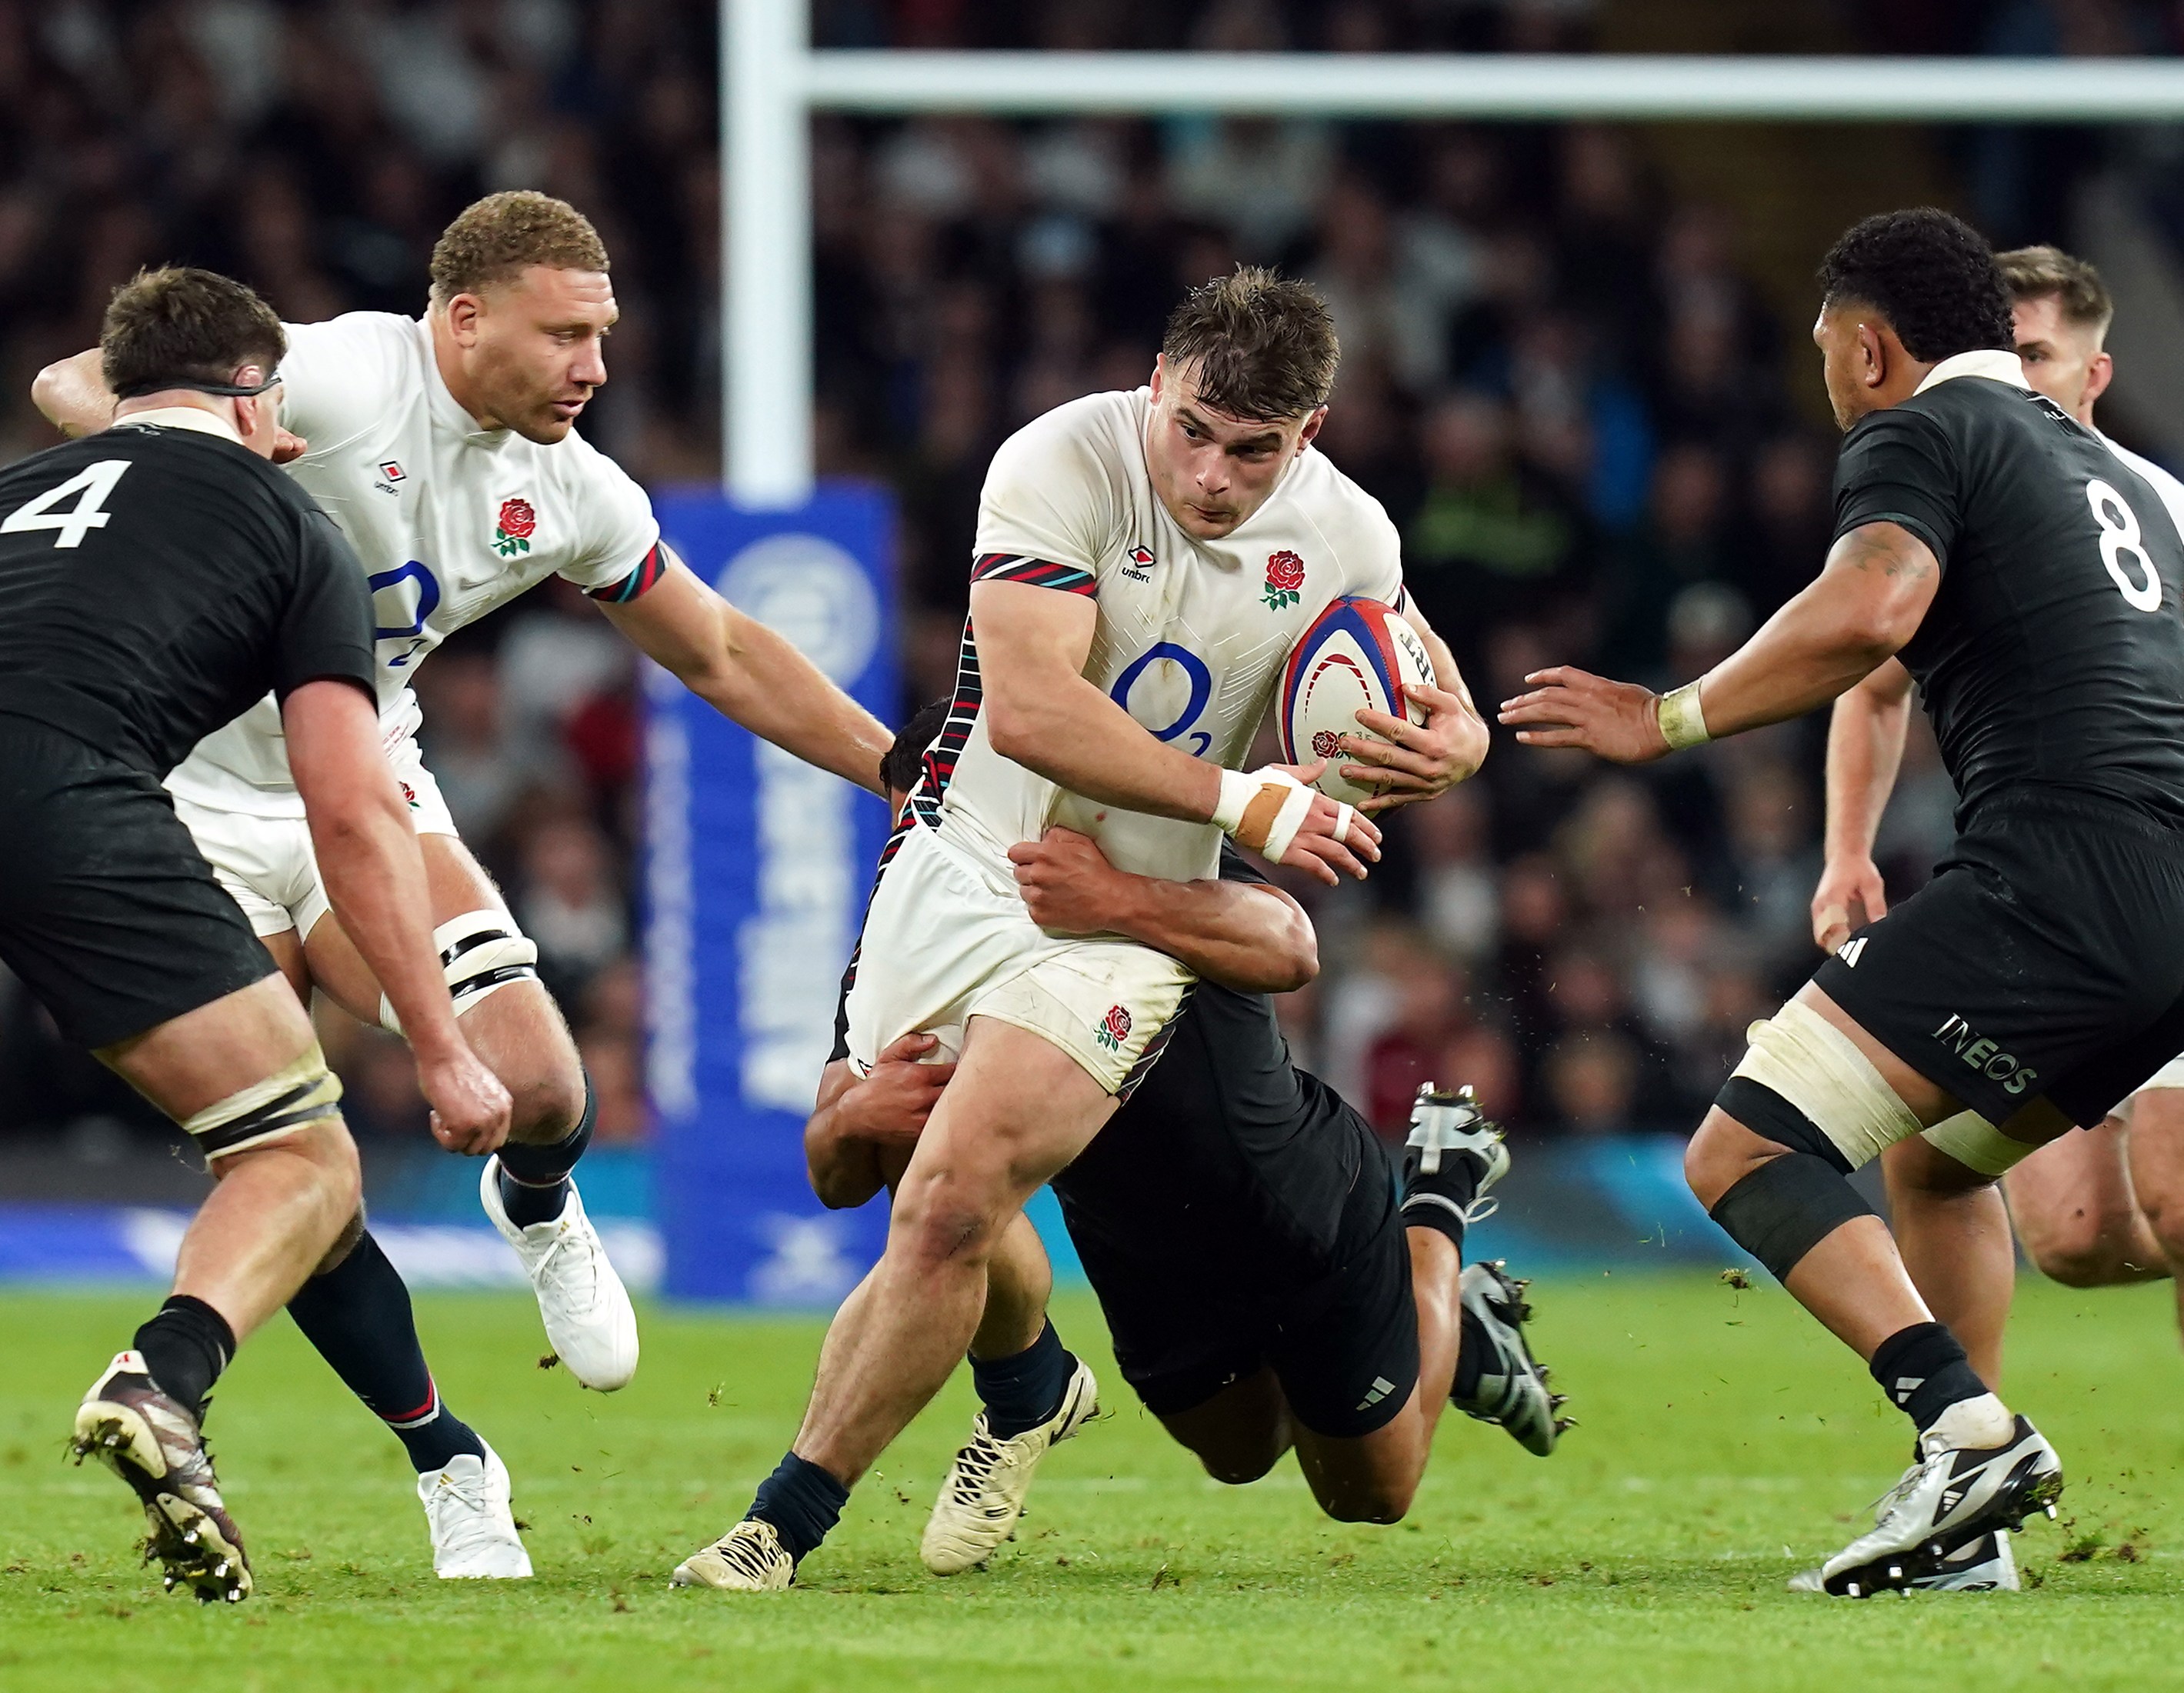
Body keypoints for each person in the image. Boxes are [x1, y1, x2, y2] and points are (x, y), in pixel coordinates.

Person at [32, 191, 892, 1576]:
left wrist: (894, 766)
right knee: (291, 1160)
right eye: (564, 335)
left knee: (540, 1087)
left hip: (365, 784)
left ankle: (538, 1199)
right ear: (463, 317)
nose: (593, 367)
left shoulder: (571, 486)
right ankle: (448, 1458)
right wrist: (185, 446)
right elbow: (76, 379)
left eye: (602, 337)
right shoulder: (341, 377)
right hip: (182, 790)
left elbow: (721, 652)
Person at [672, 268, 1489, 1591]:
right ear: (1154, 387)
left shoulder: (1349, 537)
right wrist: (1251, 803)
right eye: (1193, 432)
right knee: (855, 1158)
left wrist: (1452, 741)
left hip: (1129, 915)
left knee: (954, 1205)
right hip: (962, 868)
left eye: (1254, 451)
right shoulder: (1059, 460)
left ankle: (779, 1525)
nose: (1214, 476)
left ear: (1311, 433)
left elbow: (1434, 699)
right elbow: (1029, 714)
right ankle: (1033, 1378)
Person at [1499, 208, 2184, 1597]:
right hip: (2163, 903)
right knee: (1936, 1160)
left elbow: (1872, 608)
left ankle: (1964, 1432)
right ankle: (1964, 1530)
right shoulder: (2102, 470)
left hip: (2060, 881)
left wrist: (1668, 714)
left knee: (1737, 1154)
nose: (1823, 376)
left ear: (1868, 346)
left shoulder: (1917, 430)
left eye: (1823, 348)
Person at [792, 705, 1562, 1577]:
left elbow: (1288, 941)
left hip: (1292, 1209)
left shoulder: (1127, 842)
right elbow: (831, 1162)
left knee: (1365, 1494)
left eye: (939, 811)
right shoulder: (904, 939)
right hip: (1138, 1249)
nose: (923, 845)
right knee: (1236, 1454)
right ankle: (1432, 1329)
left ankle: (1436, 1208)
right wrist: (853, 1118)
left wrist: (1116, 899)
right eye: (912, 824)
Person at [11, 267, 509, 1602]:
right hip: (65, 798)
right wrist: (448, 1048)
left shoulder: (13, 496)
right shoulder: (294, 529)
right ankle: (162, 1381)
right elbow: (353, 817)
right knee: (297, 1156)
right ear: (257, 394)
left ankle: (423, 1445)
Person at [1812, 245, 2184, 1588]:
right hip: (2051, 894)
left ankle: (1964, 1462)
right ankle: (1961, 1475)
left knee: (2181, 1200)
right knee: (2072, 1234)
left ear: (2088, 375)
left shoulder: (2153, 508)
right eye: (1996, 353)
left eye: (2033, 362)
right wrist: (1845, 848)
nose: (2006, 383)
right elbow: (1868, 678)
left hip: (2145, 869)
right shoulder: (1956, 494)